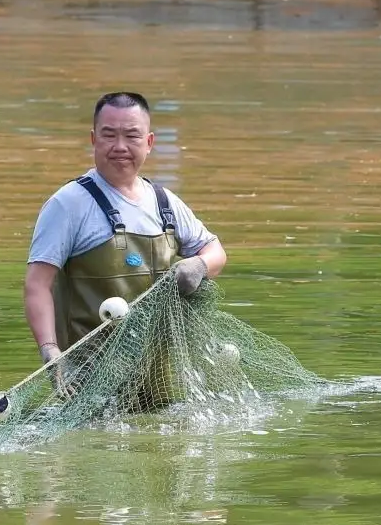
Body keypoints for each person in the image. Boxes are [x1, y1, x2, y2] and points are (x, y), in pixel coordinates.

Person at [24, 92, 228, 366]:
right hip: (90, 374)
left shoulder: (164, 202)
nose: (120, 146)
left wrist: (200, 265)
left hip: (163, 371)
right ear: (94, 139)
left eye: (131, 136)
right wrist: (50, 351)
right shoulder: (68, 204)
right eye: (109, 135)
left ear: (149, 142)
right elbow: (37, 285)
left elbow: (215, 251)